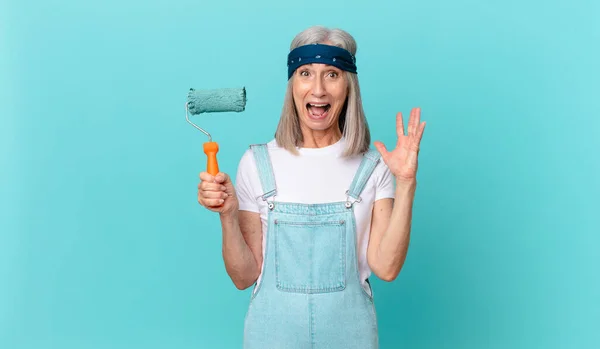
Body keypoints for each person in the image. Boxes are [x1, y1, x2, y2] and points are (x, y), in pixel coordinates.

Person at [197, 25, 426, 349]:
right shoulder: (257, 163)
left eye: (332, 74)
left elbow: (386, 268)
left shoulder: (373, 167)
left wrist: (405, 183)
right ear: (293, 85)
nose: (318, 89)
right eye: (306, 73)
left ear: (349, 86)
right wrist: (228, 215)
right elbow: (243, 276)